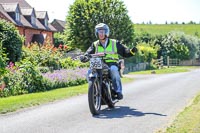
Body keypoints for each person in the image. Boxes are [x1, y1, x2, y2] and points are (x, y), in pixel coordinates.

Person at [80, 23, 137, 100]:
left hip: (112, 63)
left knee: (113, 70)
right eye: (99, 32)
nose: (101, 34)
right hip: (98, 63)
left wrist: (131, 51)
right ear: (96, 33)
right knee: (89, 72)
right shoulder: (95, 44)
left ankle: (118, 91)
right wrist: (84, 57)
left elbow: (124, 51)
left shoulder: (114, 42)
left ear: (106, 32)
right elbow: (88, 53)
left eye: (103, 31)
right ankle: (94, 90)